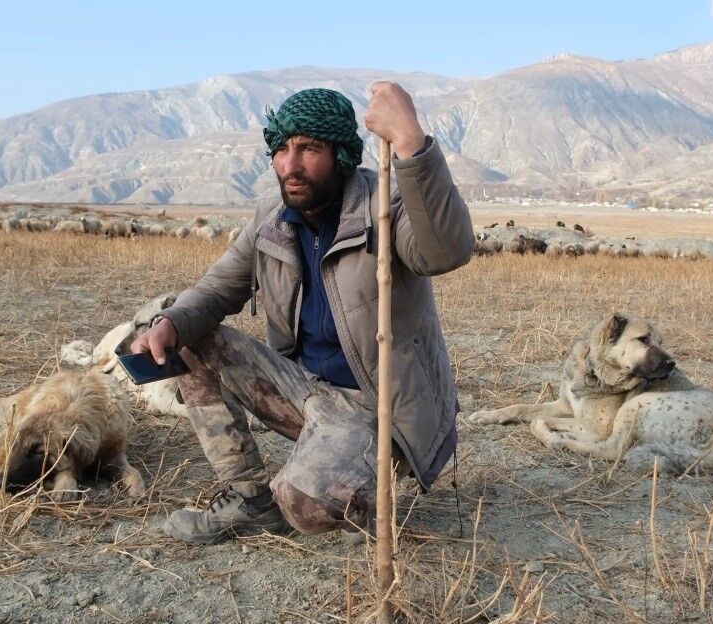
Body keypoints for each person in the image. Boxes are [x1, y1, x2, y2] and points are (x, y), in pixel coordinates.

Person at [107, 82, 474, 545]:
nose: (290, 165)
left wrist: (410, 143)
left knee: (301, 504)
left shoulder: (385, 207)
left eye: (309, 149)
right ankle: (250, 500)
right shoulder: (271, 218)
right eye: (281, 149)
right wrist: (169, 324)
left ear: (341, 155)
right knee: (192, 339)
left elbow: (446, 250)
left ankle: (351, 485)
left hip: (379, 407)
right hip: (304, 389)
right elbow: (217, 289)